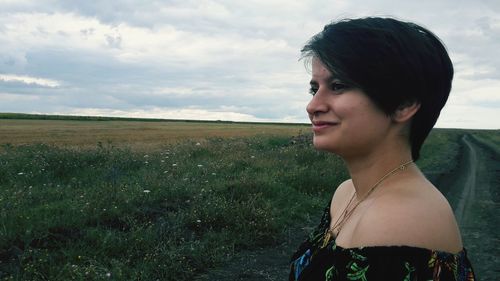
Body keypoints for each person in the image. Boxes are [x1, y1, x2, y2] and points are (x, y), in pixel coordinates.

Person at [289, 17, 475, 280]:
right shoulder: (346, 192)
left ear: (404, 104)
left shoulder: (400, 222)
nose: (313, 106)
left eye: (338, 86)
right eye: (314, 88)